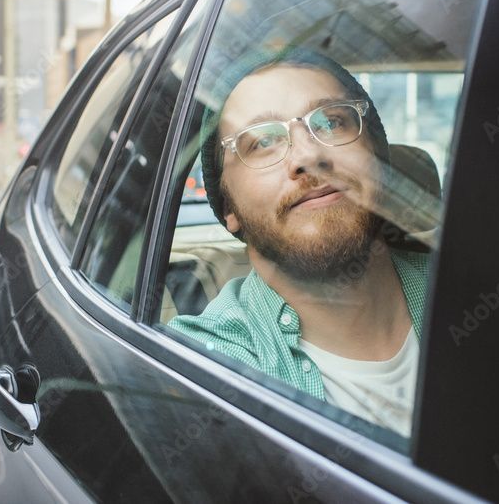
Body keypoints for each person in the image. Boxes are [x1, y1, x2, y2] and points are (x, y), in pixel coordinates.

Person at [169, 48, 430, 437]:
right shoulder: (205, 364)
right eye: (262, 141)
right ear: (228, 207)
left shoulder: (480, 287)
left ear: (377, 157)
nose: (308, 156)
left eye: (332, 121)